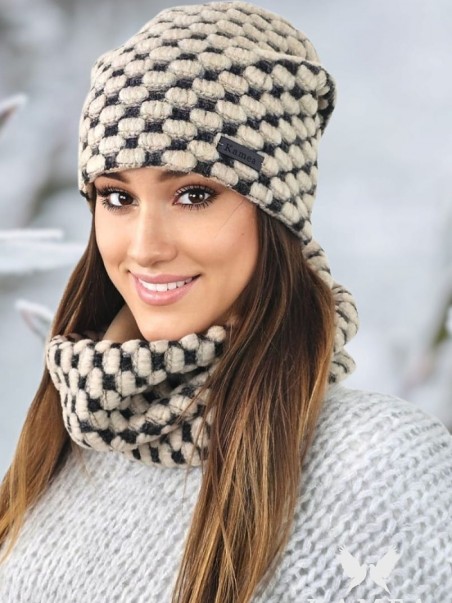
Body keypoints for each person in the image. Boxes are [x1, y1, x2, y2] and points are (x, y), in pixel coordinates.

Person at [0, 2, 451, 602]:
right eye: (117, 197)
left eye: (193, 194)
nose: (145, 247)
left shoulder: (378, 465)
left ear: (276, 214)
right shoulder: (63, 447)